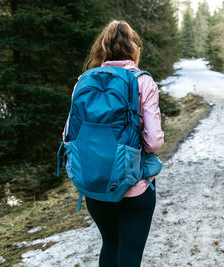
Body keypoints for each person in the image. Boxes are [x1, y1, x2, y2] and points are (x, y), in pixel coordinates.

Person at [81, 20, 164, 267]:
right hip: (134, 185)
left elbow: (68, 135)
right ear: (134, 48)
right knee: (129, 253)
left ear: (101, 49)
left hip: (95, 184)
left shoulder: (83, 81)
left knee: (110, 244)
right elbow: (153, 143)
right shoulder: (143, 81)